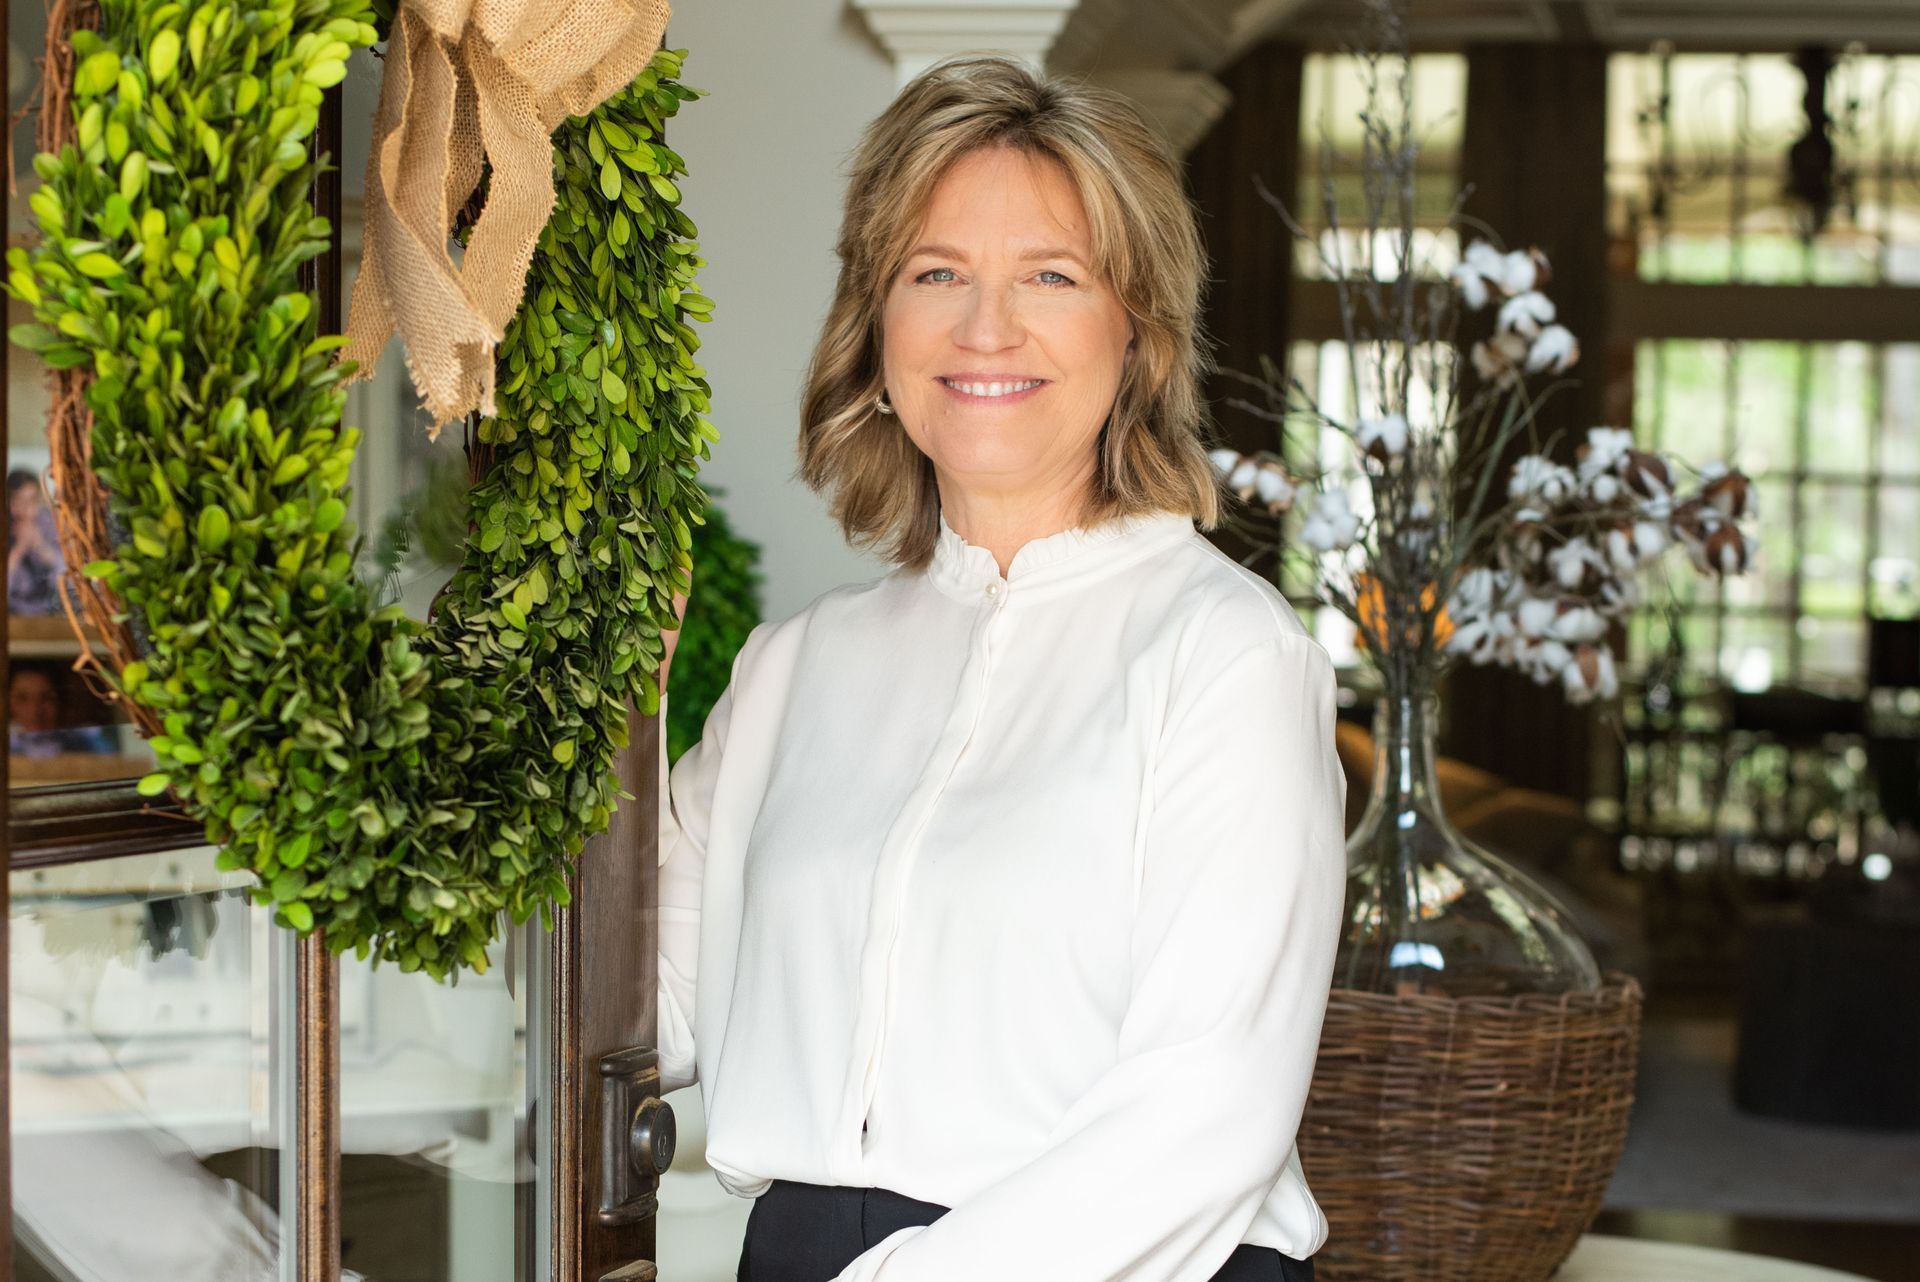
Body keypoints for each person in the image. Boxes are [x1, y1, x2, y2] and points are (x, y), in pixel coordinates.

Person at [655, 55, 1346, 1282]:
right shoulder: (790, 669)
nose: (986, 327)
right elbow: (634, 1012)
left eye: (1050, 276)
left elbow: (1205, 1110)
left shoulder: (1228, 657)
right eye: (936, 274)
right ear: (876, 330)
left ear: (1137, 333)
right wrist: (608, 710)